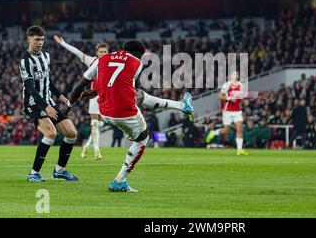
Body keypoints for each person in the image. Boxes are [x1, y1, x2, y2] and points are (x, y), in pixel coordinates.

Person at [65, 40, 194, 192]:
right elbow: (121, 83)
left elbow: (79, 85)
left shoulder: (102, 59)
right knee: (143, 138)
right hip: (124, 111)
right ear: (138, 54)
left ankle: (181, 105)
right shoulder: (137, 63)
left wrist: (69, 106)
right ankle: (119, 181)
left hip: (104, 110)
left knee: (139, 95)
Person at [20, 25, 79, 182]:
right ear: (29, 39)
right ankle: (34, 173)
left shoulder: (46, 56)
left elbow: (48, 80)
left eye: (42, 40)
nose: (40, 43)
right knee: (51, 133)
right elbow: (31, 88)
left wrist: (61, 97)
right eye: (37, 40)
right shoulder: (25, 61)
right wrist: (45, 106)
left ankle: (60, 170)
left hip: (49, 102)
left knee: (72, 133)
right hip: (33, 104)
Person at [53, 35, 109, 160]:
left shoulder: (112, 61)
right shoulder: (92, 60)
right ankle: (97, 151)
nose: (103, 54)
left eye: (105, 52)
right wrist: (63, 43)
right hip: (94, 95)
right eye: (101, 52)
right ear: (97, 53)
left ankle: (86, 146)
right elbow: (77, 52)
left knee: (101, 124)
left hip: (108, 96)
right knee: (94, 123)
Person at [207, 71, 248, 155]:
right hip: (227, 111)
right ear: (230, 76)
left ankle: (239, 150)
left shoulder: (241, 85)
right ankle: (213, 132)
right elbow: (220, 96)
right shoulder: (227, 85)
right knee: (226, 131)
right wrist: (229, 98)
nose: (235, 76)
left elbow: (242, 96)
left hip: (237, 110)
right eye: (233, 74)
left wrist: (245, 101)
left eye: (236, 74)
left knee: (240, 129)